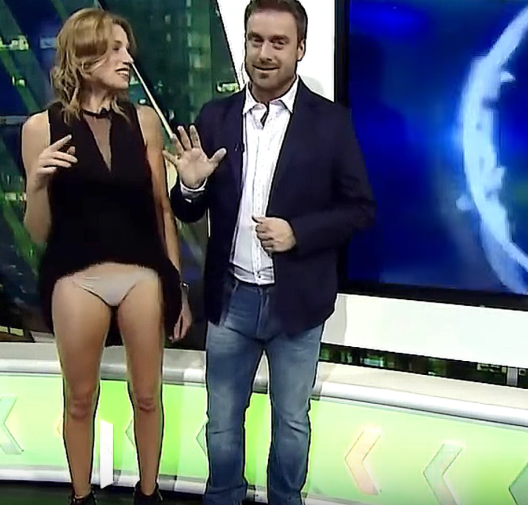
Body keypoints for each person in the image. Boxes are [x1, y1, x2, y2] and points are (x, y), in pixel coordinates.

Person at [164, 1, 375, 504]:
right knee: (221, 423)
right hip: (230, 299)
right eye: (255, 40)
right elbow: (187, 209)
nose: (264, 53)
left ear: (300, 48)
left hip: (296, 302)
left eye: (278, 42)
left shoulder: (330, 123)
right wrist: (190, 187)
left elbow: (360, 209)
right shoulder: (214, 118)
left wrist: (298, 232)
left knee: (291, 425)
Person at [21, 8, 192, 505]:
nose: (127, 59)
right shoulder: (40, 128)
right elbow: (39, 232)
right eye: (115, 49)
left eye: (127, 48)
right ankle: (81, 497)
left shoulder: (143, 123)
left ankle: (148, 493)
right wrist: (36, 185)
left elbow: (162, 210)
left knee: (147, 395)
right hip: (77, 276)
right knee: (80, 398)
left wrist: (177, 287)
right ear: (84, 55)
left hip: (142, 273)